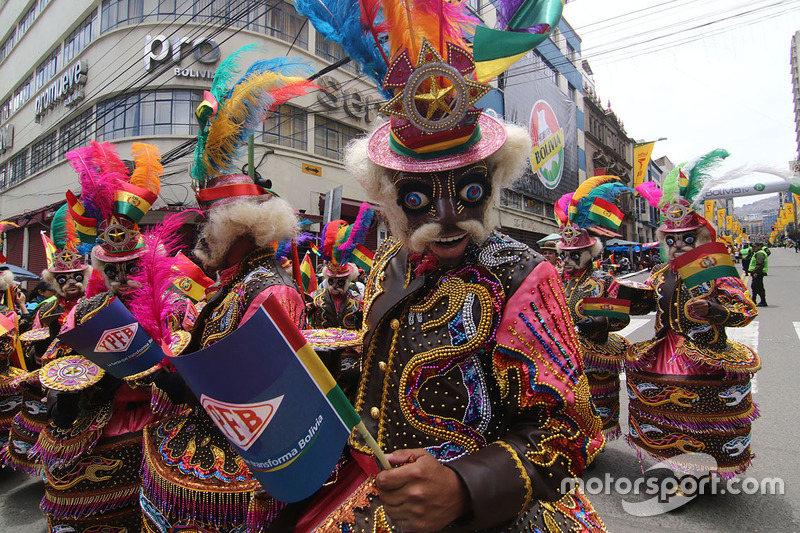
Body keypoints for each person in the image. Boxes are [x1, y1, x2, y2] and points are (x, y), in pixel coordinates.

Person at [285, 2, 607, 528]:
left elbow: (570, 428)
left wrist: (466, 485)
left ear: (494, 181)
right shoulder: (390, 259)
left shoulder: (522, 275)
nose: (447, 217)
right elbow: (374, 365)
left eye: (469, 190)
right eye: (418, 200)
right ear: (390, 197)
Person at [139, 51, 314, 533]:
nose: (201, 239)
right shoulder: (233, 284)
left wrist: (189, 386)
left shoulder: (269, 291)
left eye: (208, 227)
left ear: (238, 230)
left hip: (245, 447)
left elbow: (263, 385)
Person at [35, 141, 167, 532]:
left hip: (154, 421)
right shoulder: (84, 311)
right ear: (101, 270)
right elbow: (57, 364)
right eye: (114, 271)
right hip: (99, 421)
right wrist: (68, 391)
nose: (123, 279)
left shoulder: (170, 306)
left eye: (131, 268)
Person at [618, 150, 760, 478]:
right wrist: (616, 297)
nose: (679, 245)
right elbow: (647, 304)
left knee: (699, 421)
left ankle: (695, 472)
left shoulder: (713, 268)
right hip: (664, 350)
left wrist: (715, 310)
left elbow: (745, 309)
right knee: (662, 416)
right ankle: (671, 467)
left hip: (704, 355)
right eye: (672, 239)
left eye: (687, 238)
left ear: (700, 238)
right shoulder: (660, 273)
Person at [4, 204, 92, 475]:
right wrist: (38, 356)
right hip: (55, 377)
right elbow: (33, 342)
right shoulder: (47, 309)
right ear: (54, 282)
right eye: (64, 279)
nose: (71, 284)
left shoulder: (94, 304)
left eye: (77, 277)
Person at [555, 176, 632, 441]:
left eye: (574, 255)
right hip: (561, 356)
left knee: (596, 407)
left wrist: (597, 322)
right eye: (563, 254)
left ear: (591, 252)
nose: (567, 260)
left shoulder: (603, 280)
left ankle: (595, 443)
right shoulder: (553, 279)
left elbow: (620, 318)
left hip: (593, 357)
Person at [748, 240, 769, 306]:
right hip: (756, 272)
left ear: (759, 246)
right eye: (753, 247)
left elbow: (760, 264)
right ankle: (753, 300)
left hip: (758, 273)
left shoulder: (760, 254)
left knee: (758, 287)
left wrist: (756, 272)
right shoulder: (757, 253)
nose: (753, 248)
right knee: (754, 287)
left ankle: (763, 301)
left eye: (755, 247)